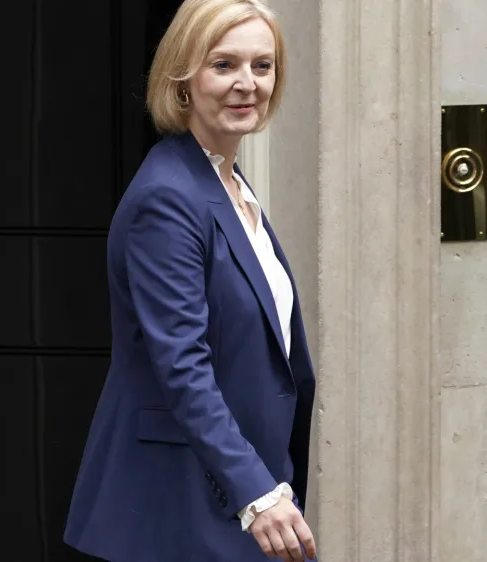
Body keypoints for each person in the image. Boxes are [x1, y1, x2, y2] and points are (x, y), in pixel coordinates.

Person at [63, 1, 317, 560]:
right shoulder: (168, 197)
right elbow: (180, 364)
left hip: (238, 488)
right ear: (183, 80)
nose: (247, 84)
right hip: (179, 501)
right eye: (224, 65)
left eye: (262, 66)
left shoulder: (225, 180)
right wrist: (255, 491)